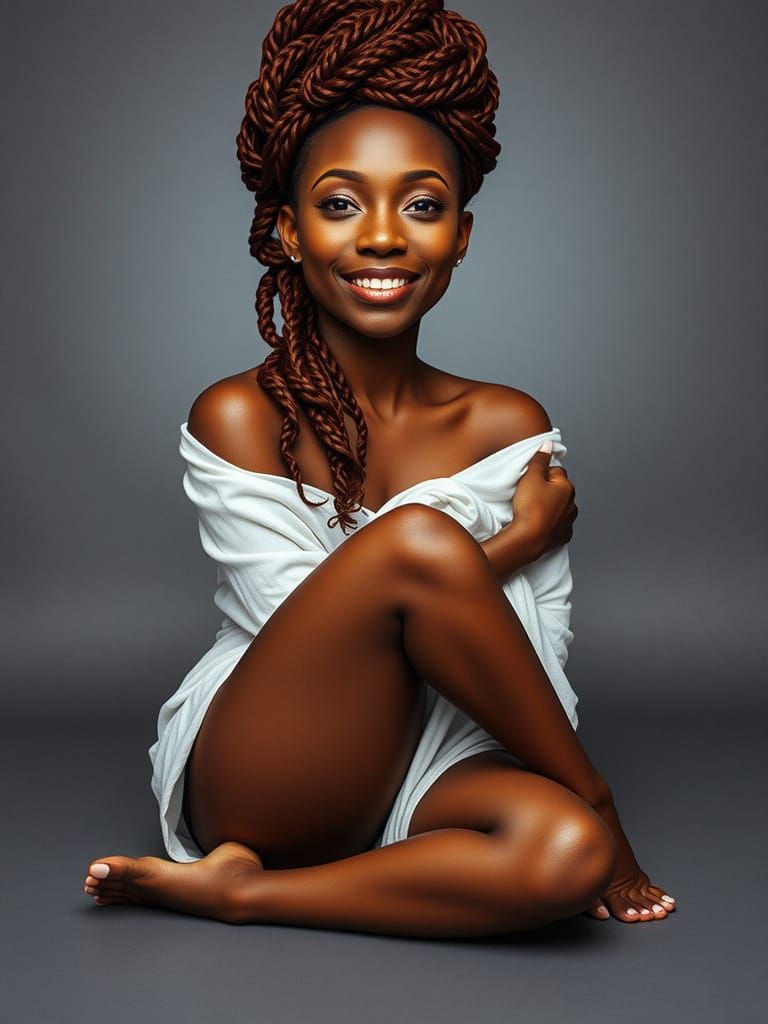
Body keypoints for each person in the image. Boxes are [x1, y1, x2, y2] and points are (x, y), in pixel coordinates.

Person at [82, 0, 676, 936]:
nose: (385, 237)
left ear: (462, 238)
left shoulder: (509, 424)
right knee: (416, 546)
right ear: (287, 230)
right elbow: (312, 639)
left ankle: (246, 895)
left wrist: (477, 588)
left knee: (565, 854)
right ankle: (600, 801)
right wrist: (514, 541)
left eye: (424, 205)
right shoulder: (239, 415)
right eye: (341, 203)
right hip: (267, 770)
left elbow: (536, 649)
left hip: (435, 757)